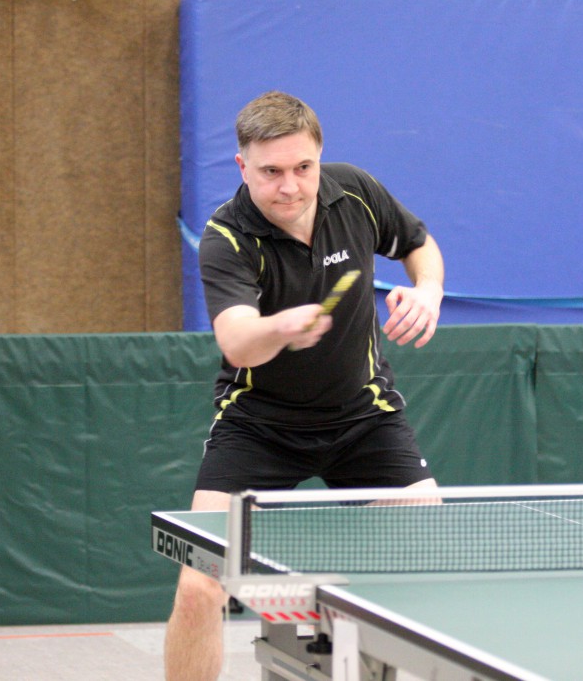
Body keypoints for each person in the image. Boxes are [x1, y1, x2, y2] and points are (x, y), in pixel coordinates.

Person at [163, 91, 445, 681]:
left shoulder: (355, 193)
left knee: (432, 549)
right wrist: (280, 327)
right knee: (198, 588)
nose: (290, 186)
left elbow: (418, 245)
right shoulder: (227, 237)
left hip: (364, 418)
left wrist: (428, 290)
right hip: (259, 428)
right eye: (271, 171)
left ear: (320, 157)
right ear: (242, 166)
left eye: (302, 167)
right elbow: (237, 342)